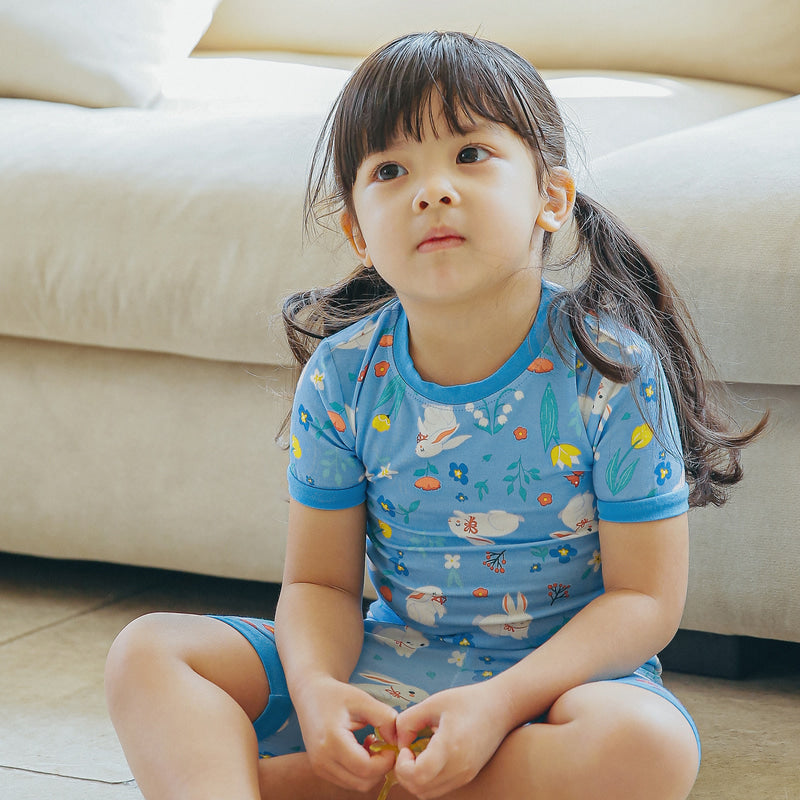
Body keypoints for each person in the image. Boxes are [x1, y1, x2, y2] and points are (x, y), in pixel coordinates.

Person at [105, 31, 766, 800]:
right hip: (380, 670)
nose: (432, 190)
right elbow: (319, 584)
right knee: (148, 652)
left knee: (649, 749)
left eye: (471, 154)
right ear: (358, 232)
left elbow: (644, 602)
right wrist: (318, 694)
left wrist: (497, 706)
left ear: (551, 198)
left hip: (555, 689)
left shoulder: (611, 370)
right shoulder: (343, 375)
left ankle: (291, 787)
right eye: (391, 171)